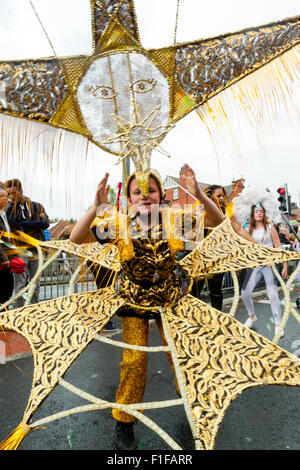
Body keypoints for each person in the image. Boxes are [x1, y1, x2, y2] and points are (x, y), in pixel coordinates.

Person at [70, 164, 224, 450]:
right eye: (137, 193)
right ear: (129, 199)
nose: (144, 196)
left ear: (161, 195)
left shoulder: (175, 220)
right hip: (134, 300)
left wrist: (198, 195)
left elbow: (217, 223)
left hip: (169, 297)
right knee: (134, 360)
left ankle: (195, 408)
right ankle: (125, 421)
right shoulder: (119, 224)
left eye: (150, 191)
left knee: (180, 356)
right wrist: (96, 207)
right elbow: (75, 239)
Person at [240, 204, 287, 337]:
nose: (259, 213)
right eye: (256, 211)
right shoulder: (249, 229)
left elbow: (278, 247)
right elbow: (245, 248)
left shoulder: (270, 227)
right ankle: (251, 316)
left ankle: (278, 325)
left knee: (272, 294)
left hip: (269, 264)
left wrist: (284, 265)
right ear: (253, 214)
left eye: (261, 211)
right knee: (245, 292)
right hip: (255, 264)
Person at [4, 179, 50, 307]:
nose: (11, 197)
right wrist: (36, 224)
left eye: (13, 193)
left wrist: (21, 224)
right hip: (19, 251)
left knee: (35, 283)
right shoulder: (10, 209)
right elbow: (11, 223)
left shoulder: (38, 206)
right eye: (9, 194)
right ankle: (19, 311)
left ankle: (34, 310)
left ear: (21, 191)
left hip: (37, 250)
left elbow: (45, 224)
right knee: (20, 284)